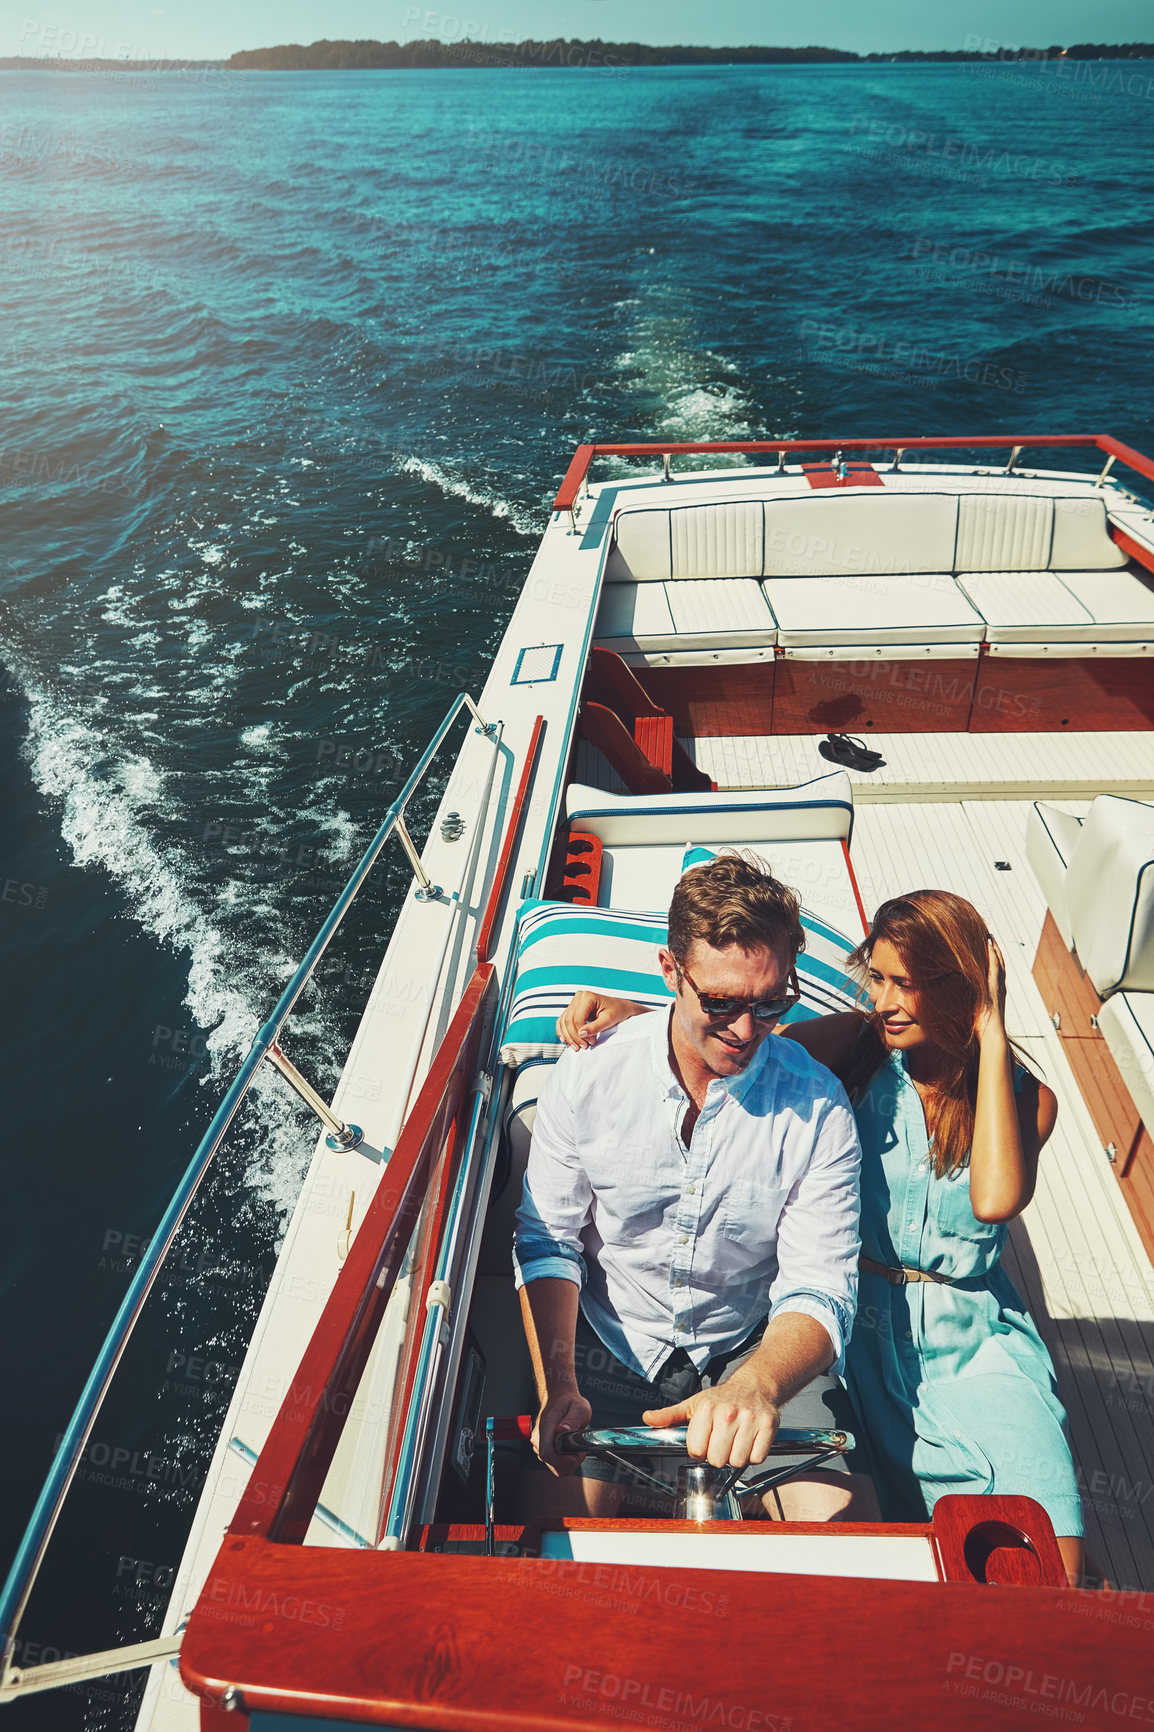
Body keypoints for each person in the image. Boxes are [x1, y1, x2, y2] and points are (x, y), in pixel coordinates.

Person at [559, 886, 1088, 1583]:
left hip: (972, 1339)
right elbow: (740, 1046)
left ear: (961, 989)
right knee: (901, 1543)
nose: (887, 1002)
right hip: (861, 1326)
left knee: (1049, 1550)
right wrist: (642, 1018)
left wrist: (990, 1037)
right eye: (881, 979)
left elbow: (994, 1199)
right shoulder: (863, 1048)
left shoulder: (1027, 1100)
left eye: (911, 985)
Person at [513, 852, 876, 1523]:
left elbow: (820, 1286)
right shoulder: (587, 1077)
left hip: (755, 1346)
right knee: (545, 1545)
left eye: (772, 1004)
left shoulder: (821, 1108)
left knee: (850, 1540)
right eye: (720, 1002)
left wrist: (758, 1384)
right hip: (605, 1346)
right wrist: (558, 1382)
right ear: (670, 973)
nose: (745, 1031)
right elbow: (550, 1240)